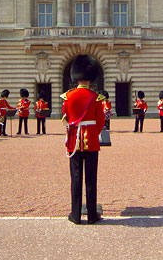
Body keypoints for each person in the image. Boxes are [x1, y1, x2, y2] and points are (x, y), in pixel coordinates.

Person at [61, 55, 105, 225]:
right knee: (91, 178)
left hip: (74, 142)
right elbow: (101, 122)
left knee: (76, 178)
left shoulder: (67, 97)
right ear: (90, 77)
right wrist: (93, 133)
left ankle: (76, 215)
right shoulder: (96, 98)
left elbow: (66, 119)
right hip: (92, 141)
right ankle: (92, 215)